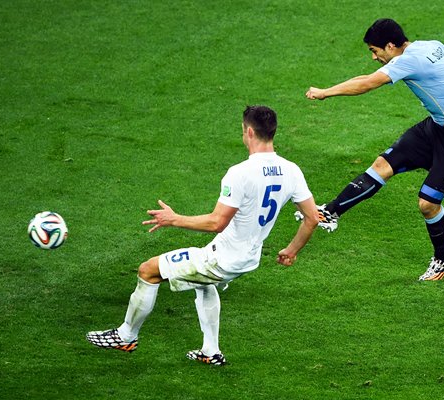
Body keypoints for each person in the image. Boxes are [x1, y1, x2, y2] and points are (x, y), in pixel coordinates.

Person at [86, 105, 319, 365]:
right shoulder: (291, 170)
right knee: (204, 284)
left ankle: (126, 336)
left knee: (148, 271)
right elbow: (312, 218)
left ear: (249, 132)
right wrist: (291, 250)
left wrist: (174, 219)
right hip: (248, 259)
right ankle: (210, 352)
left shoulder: (240, 173)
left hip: (221, 260)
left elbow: (217, 222)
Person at [298, 18, 444, 281]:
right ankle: (331, 212)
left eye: (375, 50)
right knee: (382, 166)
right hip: (437, 127)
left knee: (428, 204)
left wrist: (326, 93)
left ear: (391, 45)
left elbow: (367, 84)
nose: (374, 57)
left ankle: (443, 258)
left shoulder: (407, 61)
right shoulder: (431, 46)